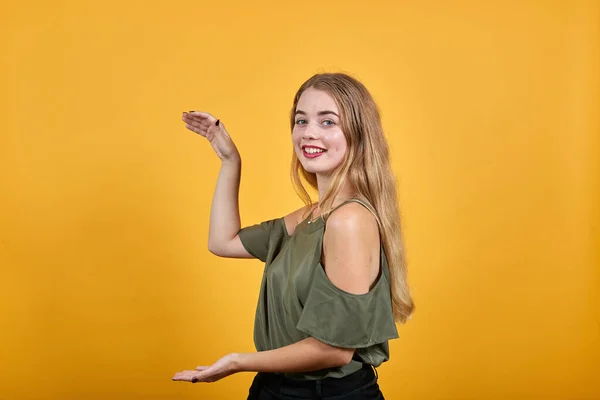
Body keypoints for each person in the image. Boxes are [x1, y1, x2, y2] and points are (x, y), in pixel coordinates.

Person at [172, 72, 414, 399]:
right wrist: (230, 161)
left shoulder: (349, 222)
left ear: (358, 133)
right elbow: (222, 242)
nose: (309, 133)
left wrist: (239, 361)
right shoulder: (308, 216)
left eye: (327, 122)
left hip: (326, 394)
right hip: (276, 388)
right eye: (301, 121)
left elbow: (335, 350)